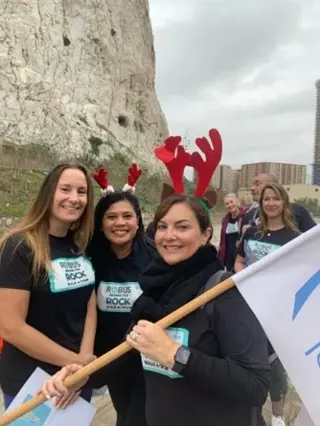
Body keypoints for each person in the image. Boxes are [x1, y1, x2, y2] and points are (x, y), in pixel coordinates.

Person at [41, 130, 270, 426]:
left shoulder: (222, 292)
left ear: (206, 234)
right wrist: (80, 376)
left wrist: (175, 353)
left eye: (182, 227)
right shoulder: (153, 293)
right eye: (162, 226)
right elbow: (125, 357)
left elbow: (255, 385)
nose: (170, 236)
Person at [0, 163, 97, 410]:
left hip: (75, 382)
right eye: (65, 189)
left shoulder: (79, 247)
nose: (74, 199)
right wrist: (75, 363)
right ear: (49, 193)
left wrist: (83, 365)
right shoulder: (19, 246)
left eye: (82, 191)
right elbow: (11, 327)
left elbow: (89, 305)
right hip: (32, 383)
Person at [88, 165, 156, 426]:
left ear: (138, 221)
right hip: (110, 358)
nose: (120, 223)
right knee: (123, 414)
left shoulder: (156, 258)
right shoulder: (90, 259)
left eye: (127, 216)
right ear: (101, 223)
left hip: (146, 361)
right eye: (111, 217)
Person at [234, 182, 300, 426]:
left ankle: (278, 412)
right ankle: (250, 407)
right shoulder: (252, 233)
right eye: (266, 199)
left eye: (275, 198)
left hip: (276, 312)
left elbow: (297, 277)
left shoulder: (295, 239)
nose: (271, 203)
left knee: (274, 363)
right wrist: (245, 280)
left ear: (284, 202)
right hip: (248, 307)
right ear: (260, 204)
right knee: (248, 357)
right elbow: (238, 262)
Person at [238, 173, 315, 240]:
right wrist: (244, 236)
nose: (252, 188)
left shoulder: (297, 211)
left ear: (273, 185)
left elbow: (315, 239)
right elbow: (239, 248)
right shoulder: (249, 215)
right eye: (252, 185)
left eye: (257, 184)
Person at [218, 193, 247, 270]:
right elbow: (223, 241)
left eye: (231, 202)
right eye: (227, 204)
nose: (230, 205)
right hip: (229, 256)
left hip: (241, 256)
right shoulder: (225, 220)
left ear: (237, 202)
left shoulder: (246, 216)